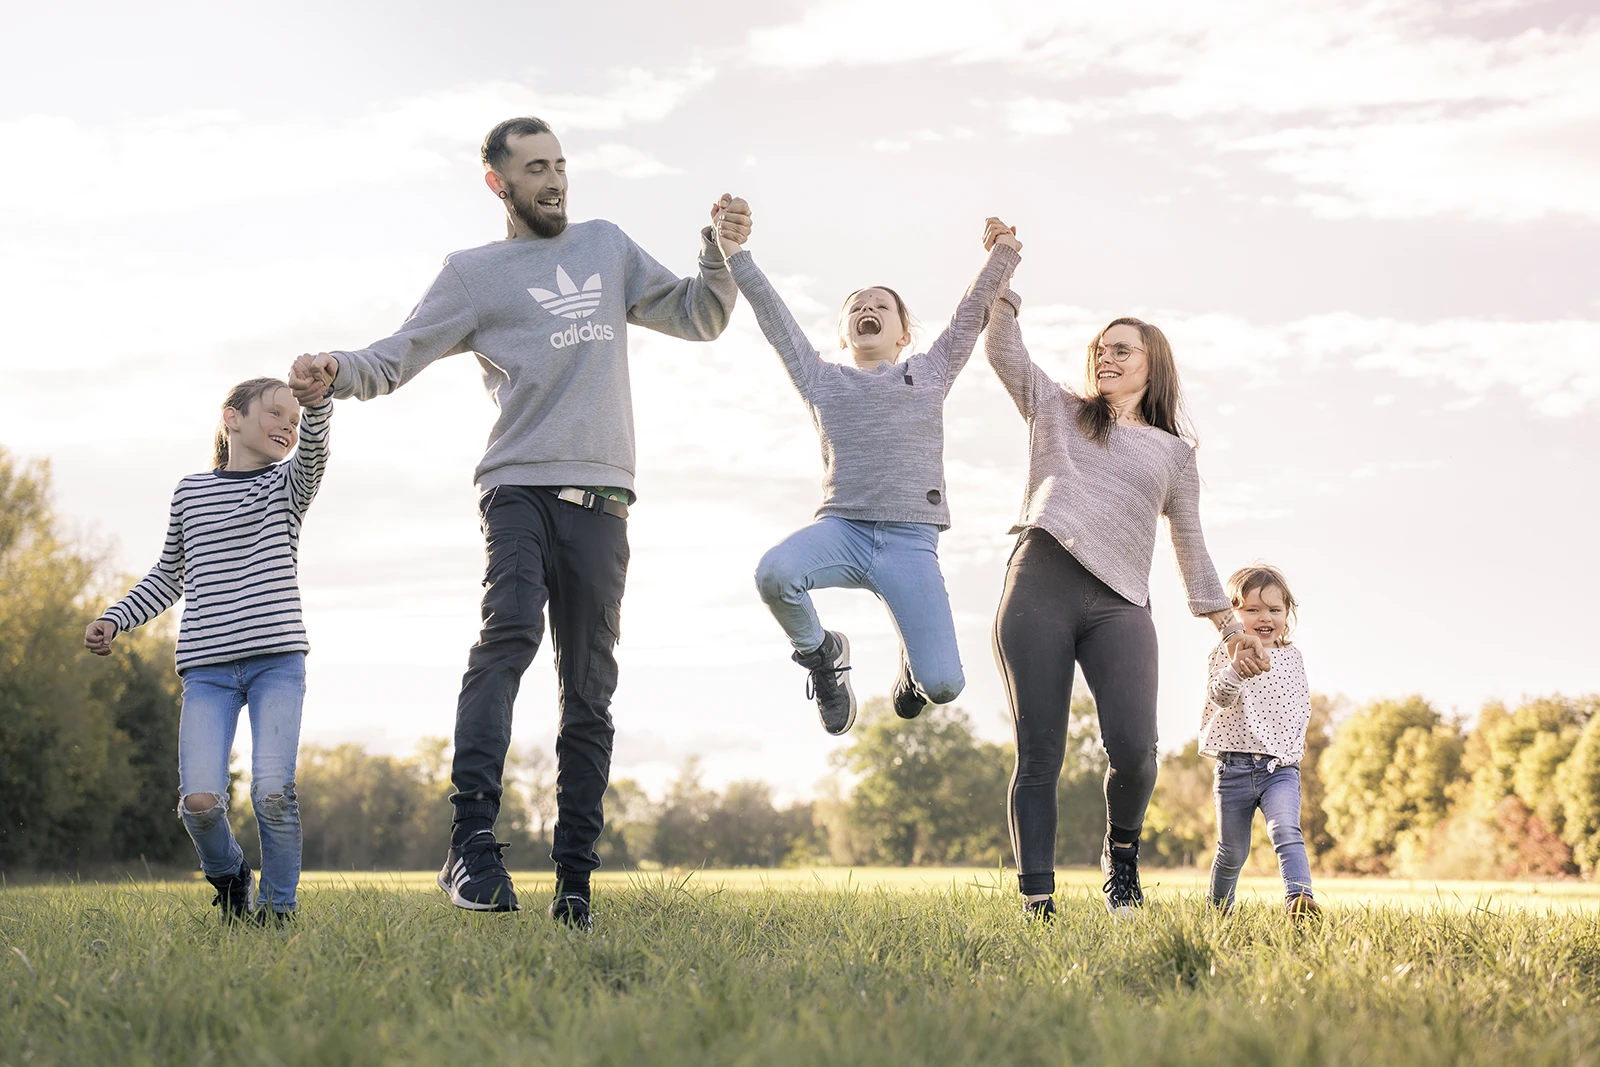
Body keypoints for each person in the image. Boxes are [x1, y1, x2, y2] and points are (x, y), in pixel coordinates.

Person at [287, 116, 749, 928]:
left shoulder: (606, 246)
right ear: (498, 184)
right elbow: (395, 356)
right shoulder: (472, 275)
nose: (556, 179)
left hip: (604, 501)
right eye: (536, 168)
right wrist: (335, 372)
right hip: (519, 489)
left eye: (562, 164)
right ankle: (471, 842)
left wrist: (718, 251)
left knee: (589, 688)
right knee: (508, 637)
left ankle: (575, 881)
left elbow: (700, 315)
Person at [982, 225, 1270, 918]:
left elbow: (1192, 546)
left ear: (1151, 364)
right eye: (1099, 349)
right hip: (1041, 581)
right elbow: (1001, 347)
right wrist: (1002, 271)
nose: (1105, 357)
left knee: (1137, 750)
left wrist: (1230, 626)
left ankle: (1122, 859)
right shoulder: (1057, 408)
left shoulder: (1174, 453)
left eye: (1121, 348)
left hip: (1120, 602)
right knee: (1040, 750)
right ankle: (1038, 903)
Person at [714, 213, 1020, 733]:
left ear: (904, 335)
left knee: (944, 686)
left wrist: (1004, 254)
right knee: (774, 574)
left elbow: (972, 313)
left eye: (882, 306)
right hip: (843, 530)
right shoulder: (820, 378)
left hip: (909, 544)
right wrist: (734, 254)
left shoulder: (929, 371)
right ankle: (822, 655)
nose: (868, 309)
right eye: (857, 307)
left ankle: (911, 668)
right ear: (844, 334)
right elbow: (774, 317)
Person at [85, 377, 332, 923]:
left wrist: (316, 404)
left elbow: (313, 452)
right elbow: (169, 575)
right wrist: (115, 617)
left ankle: (278, 911)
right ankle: (231, 877)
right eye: (275, 413)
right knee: (199, 803)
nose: (287, 427)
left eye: (294, 421)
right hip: (208, 672)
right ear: (233, 417)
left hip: (277, 665)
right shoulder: (190, 493)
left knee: (272, 792)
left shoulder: (288, 487)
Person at [1202, 564, 1320, 917]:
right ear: (1233, 616)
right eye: (1251, 609)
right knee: (1233, 851)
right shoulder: (1226, 654)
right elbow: (1219, 698)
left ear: (1287, 613)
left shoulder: (1292, 657)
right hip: (1234, 769)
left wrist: (1294, 750)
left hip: (1279, 769)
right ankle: (1219, 912)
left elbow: (1301, 706)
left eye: (1274, 609)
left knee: (1286, 830)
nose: (1264, 617)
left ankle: (1299, 899)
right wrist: (1236, 669)